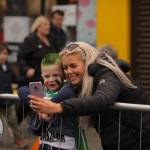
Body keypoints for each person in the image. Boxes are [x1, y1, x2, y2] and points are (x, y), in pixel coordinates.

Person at [27, 42, 150, 150]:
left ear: (87, 63)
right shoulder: (82, 82)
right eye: (65, 67)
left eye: (73, 66)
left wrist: (57, 107)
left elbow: (103, 99)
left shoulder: (107, 74)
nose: (69, 72)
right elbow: (24, 90)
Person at [18, 53, 76, 150]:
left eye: (56, 75)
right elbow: (21, 91)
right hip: (43, 143)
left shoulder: (67, 89)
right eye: (47, 76)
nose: (51, 80)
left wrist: (46, 107)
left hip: (63, 146)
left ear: (64, 75)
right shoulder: (41, 90)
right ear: (42, 76)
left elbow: (68, 93)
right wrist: (39, 108)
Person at [17, 15, 54, 124]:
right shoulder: (30, 40)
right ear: (38, 27)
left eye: (48, 25)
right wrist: (26, 69)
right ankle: (15, 123)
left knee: (40, 102)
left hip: (46, 76)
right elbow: (20, 57)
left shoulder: (50, 39)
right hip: (33, 77)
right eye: (45, 25)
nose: (48, 27)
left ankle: (41, 126)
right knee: (30, 102)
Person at [0, 42, 28, 148]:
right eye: (1, 53)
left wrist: (26, 78)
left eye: (5, 53)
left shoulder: (9, 68)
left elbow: (16, 79)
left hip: (8, 101)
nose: (3, 55)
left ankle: (17, 140)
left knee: (13, 121)